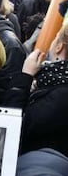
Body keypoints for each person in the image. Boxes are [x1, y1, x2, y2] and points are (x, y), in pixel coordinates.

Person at [5, 23, 68, 157]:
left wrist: (25, 76)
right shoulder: (54, 82)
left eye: (55, 37)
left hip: (38, 166)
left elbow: (14, 123)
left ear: (59, 46)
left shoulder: (61, 96)